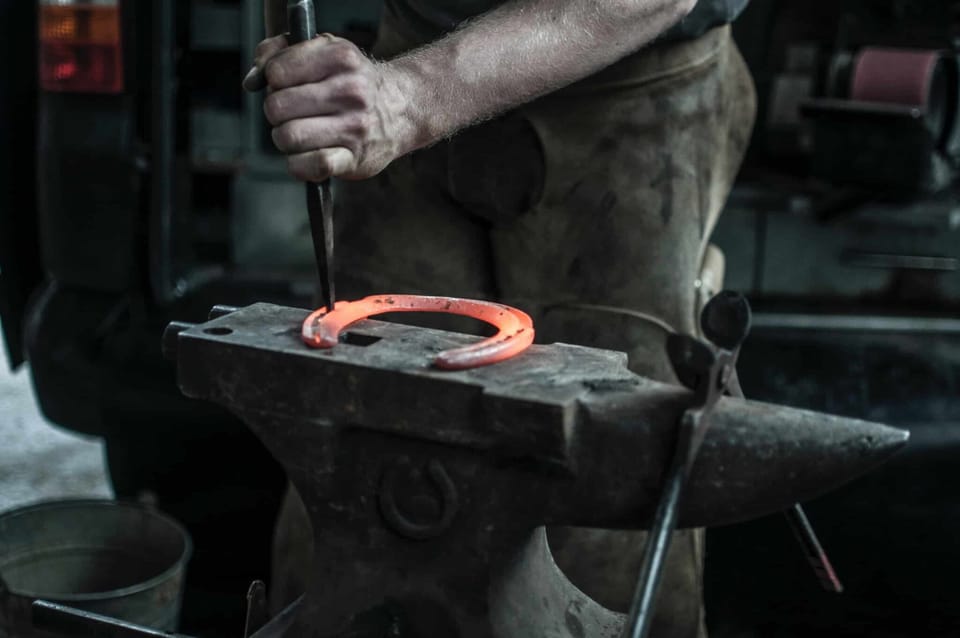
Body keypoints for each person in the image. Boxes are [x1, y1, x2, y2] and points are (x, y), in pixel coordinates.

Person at [245, 0, 756, 635]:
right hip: (413, 43)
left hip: (631, 81)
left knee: (608, 491)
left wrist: (406, 101)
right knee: (359, 463)